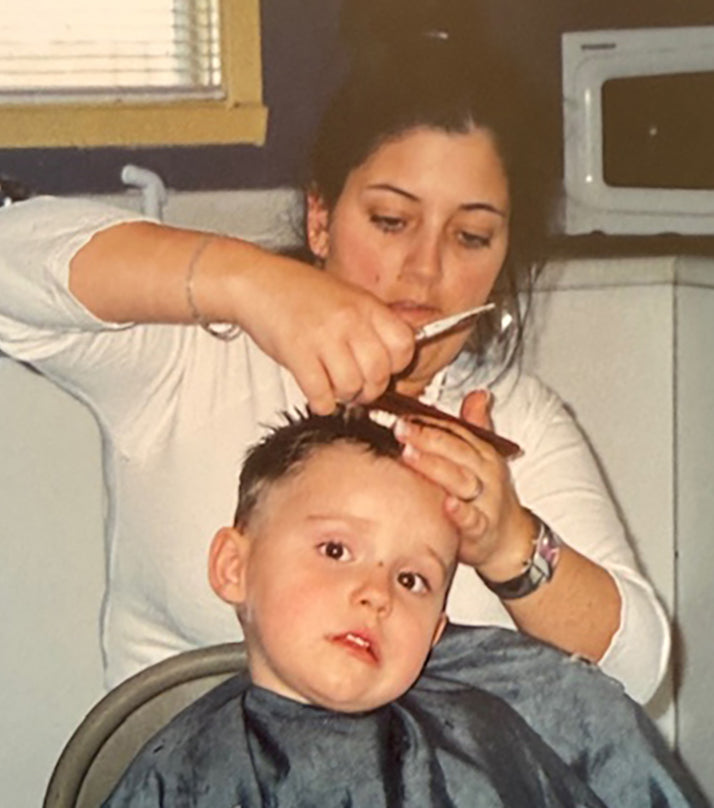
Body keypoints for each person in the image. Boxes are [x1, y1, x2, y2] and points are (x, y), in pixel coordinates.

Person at [0, 34, 668, 700]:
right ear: (320, 219)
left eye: (470, 236)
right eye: (391, 220)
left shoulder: (513, 423)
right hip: (183, 766)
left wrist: (510, 545)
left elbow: (637, 675)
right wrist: (247, 282)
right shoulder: (191, 356)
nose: (426, 268)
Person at [34, 409, 714, 808]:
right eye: (336, 549)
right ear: (234, 567)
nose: (376, 593)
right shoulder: (172, 789)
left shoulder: (500, 723)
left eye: (413, 579)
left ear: (438, 631)